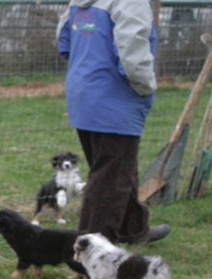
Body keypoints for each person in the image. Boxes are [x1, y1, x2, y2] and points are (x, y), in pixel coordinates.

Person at [56, 0, 170, 245]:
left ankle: (134, 229)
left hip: (83, 93)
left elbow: (64, 41)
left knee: (116, 168)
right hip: (115, 98)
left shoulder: (80, 2)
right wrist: (146, 87)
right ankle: (91, 251)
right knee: (109, 180)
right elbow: (132, 55)